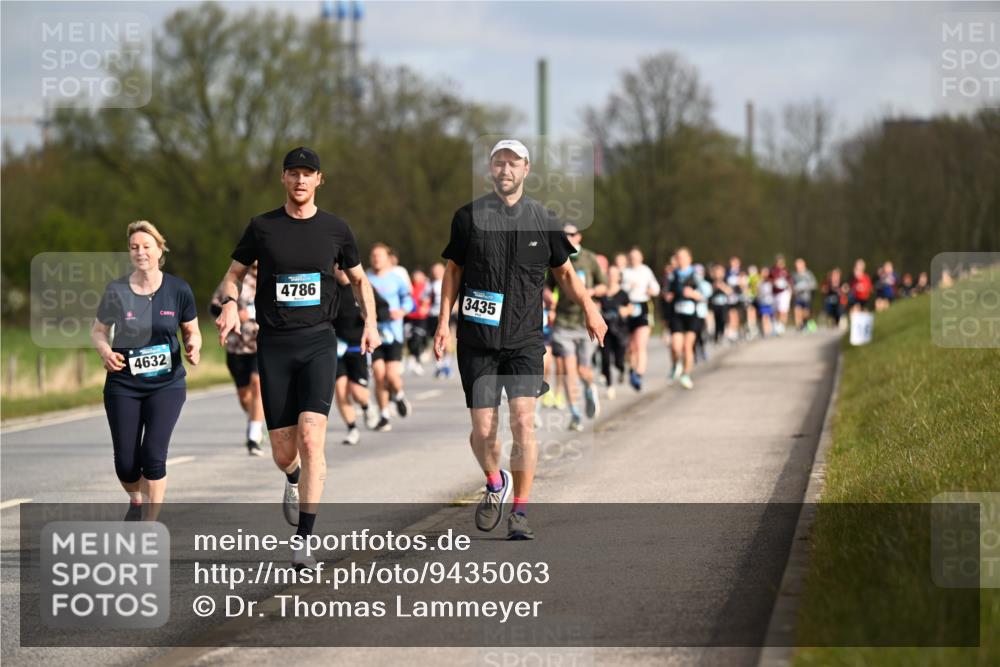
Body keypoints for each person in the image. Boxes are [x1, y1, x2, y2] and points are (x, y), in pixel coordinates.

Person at [434, 138, 607, 541]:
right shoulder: (468, 218)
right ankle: (495, 482)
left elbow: (565, 274)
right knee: (483, 431)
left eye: (513, 163)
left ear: (526, 170)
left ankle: (520, 512)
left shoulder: (543, 220)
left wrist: (589, 308)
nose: (505, 170)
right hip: (477, 339)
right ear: (490, 170)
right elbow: (452, 272)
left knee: (524, 422)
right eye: (498, 163)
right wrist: (444, 321)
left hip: (525, 340)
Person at [216, 146, 380, 569]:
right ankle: (292, 478)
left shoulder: (336, 229)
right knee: (283, 451)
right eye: (294, 173)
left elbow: (360, 281)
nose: (301, 180)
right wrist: (230, 303)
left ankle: (305, 538)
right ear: (283, 179)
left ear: (320, 180)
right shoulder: (262, 227)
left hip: (319, 342)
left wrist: (371, 324)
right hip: (274, 345)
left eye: (308, 174)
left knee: (312, 439)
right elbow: (233, 274)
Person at [92, 221, 200, 521]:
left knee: (153, 455)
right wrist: (105, 351)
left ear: (159, 249)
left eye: (146, 246)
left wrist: (193, 346)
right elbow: (99, 331)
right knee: (126, 464)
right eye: (134, 247)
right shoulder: (116, 290)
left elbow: (191, 329)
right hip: (123, 383)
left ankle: (149, 527)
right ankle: (136, 501)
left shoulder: (178, 289)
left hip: (167, 384)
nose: (140, 252)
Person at [545, 223, 607, 431]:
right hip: (563, 321)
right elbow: (548, 285)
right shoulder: (554, 257)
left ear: (579, 237)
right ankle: (575, 414)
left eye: (572, 234)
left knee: (583, 370)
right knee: (569, 371)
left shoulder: (589, 258)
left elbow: (604, 285)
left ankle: (590, 388)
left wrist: (589, 292)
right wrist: (546, 296)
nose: (568, 237)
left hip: (584, 323)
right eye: (564, 235)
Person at [210, 262, 264, 456]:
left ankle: (254, 436)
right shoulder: (234, 277)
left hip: (263, 344)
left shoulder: (273, 275)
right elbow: (214, 306)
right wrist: (230, 312)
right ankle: (255, 420)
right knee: (244, 396)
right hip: (237, 347)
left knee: (257, 383)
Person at [367, 243, 415, 432]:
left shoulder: (396, 278)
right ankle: (384, 415)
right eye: (373, 255)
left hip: (393, 332)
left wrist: (401, 311)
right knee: (379, 376)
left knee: (392, 376)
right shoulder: (366, 278)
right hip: (374, 333)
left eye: (379, 255)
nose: (376, 259)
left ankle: (399, 395)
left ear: (388, 258)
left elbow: (409, 299)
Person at [332, 268, 376, 445]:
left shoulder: (361, 286)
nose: (341, 271)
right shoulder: (330, 289)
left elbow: (381, 308)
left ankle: (366, 406)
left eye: (344, 267)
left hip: (358, 347)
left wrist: (369, 318)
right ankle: (352, 428)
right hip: (336, 348)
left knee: (358, 392)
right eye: (337, 267)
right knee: (340, 388)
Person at [664, 247, 708, 389]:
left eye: (683, 257)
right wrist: (667, 295)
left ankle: (686, 374)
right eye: (678, 257)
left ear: (689, 259)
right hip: (677, 314)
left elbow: (706, 293)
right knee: (676, 346)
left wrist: (695, 294)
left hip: (693, 314)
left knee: (687, 346)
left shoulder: (696, 275)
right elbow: (666, 291)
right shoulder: (673, 275)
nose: (680, 260)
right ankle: (676, 364)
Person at [621, 247, 660, 391]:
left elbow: (656, 287)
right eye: (631, 257)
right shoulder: (624, 272)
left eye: (636, 257)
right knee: (631, 347)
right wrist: (627, 286)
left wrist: (652, 290)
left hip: (643, 306)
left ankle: (639, 374)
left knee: (640, 344)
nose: (634, 259)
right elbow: (618, 288)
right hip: (629, 306)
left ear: (641, 258)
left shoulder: (646, 270)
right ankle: (632, 369)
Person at [598, 264, 630, 400]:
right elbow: (595, 306)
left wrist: (625, 311)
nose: (611, 276)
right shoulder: (602, 293)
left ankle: (621, 369)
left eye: (614, 274)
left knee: (618, 360)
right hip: (604, 331)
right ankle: (609, 386)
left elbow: (631, 308)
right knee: (605, 359)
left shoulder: (623, 294)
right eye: (609, 274)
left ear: (619, 277)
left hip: (619, 331)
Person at [404, 268, 432, 376]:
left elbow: (428, 299)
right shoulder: (409, 287)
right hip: (409, 316)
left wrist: (425, 306)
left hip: (421, 317)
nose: (416, 277)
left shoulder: (425, 286)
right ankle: (413, 359)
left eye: (418, 275)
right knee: (410, 339)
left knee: (418, 338)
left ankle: (417, 359)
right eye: (414, 275)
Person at [427, 262, 452, 378]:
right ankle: (439, 366)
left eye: (438, 270)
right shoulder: (429, 285)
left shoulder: (448, 282)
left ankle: (447, 365)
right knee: (436, 342)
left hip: (447, 315)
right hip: (433, 316)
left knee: (447, 342)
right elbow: (423, 300)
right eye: (434, 270)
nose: (436, 272)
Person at [792, 258, 818, 332]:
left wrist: (805, 287)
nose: (797, 267)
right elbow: (791, 284)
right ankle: (798, 326)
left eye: (799, 265)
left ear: (803, 265)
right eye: (796, 265)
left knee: (805, 313)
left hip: (806, 296)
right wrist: (794, 289)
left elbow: (814, 284)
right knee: (797, 310)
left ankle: (806, 323)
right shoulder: (794, 275)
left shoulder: (808, 274)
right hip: (798, 297)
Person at [709, 263, 732, 345]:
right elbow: (708, 293)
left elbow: (730, 292)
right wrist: (714, 287)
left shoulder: (726, 281)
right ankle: (716, 336)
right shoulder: (711, 282)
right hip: (714, 305)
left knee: (723, 320)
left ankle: (723, 334)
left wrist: (722, 286)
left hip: (724, 305)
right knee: (716, 320)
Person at [771, 254, 791, 335]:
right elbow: (770, 280)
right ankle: (776, 324)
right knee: (777, 310)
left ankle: (782, 326)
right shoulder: (773, 271)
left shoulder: (786, 271)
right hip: (775, 293)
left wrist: (790, 291)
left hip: (784, 292)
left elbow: (789, 281)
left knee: (783, 310)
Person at [756, 266, 776, 337]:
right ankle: (766, 332)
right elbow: (758, 292)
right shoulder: (759, 282)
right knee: (764, 316)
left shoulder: (771, 281)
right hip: (763, 301)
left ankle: (772, 330)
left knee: (771, 316)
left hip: (770, 302)